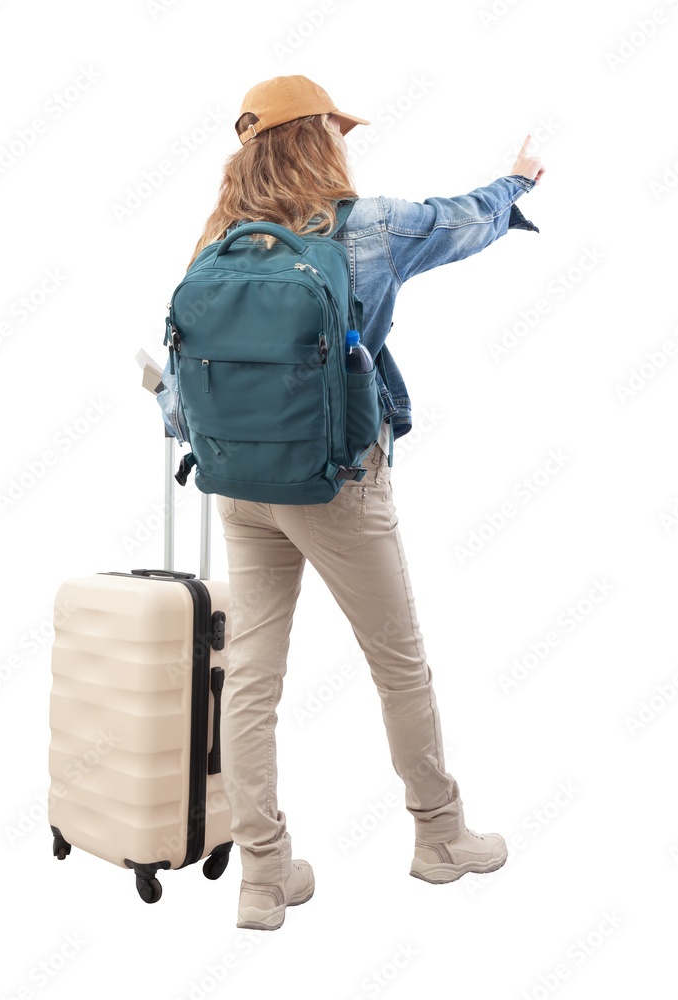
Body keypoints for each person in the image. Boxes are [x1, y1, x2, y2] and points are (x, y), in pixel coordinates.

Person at [184, 75, 544, 931]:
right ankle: (440, 837)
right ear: (322, 140)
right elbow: (463, 219)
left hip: (238, 486)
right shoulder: (368, 227)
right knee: (398, 663)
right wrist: (518, 183)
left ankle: (264, 877)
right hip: (340, 483)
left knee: (252, 683)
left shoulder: (216, 244)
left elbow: (184, 384)